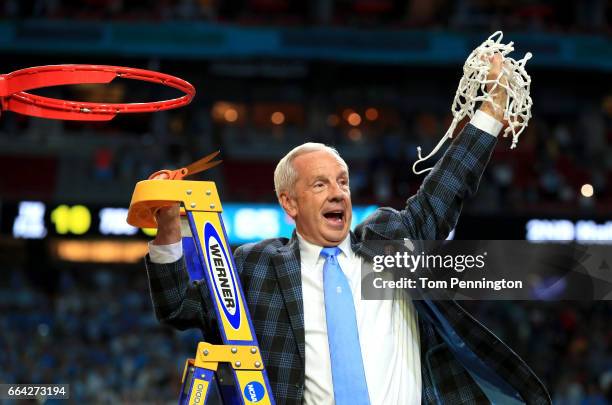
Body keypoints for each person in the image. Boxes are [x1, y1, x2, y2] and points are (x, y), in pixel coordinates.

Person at [144, 55, 551, 405]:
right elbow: (179, 305)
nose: (337, 193)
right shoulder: (255, 266)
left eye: (342, 182)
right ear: (289, 203)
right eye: (319, 185)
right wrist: (165, 225)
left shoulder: (389, 242)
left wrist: (493, 109)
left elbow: (447, 187)